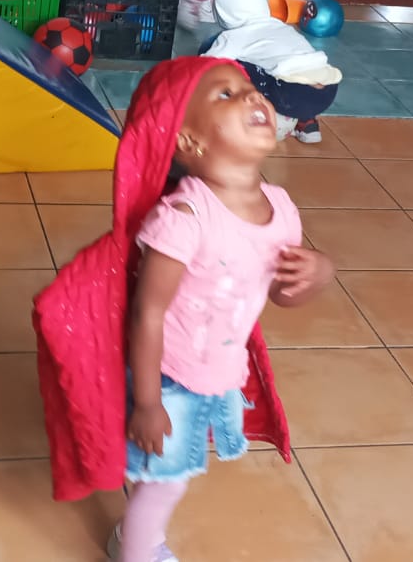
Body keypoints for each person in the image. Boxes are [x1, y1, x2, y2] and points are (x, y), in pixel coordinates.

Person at [33, 57, 335, 562]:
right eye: (225, 94)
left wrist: (319, 273)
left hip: (218, 371)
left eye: (247, 87)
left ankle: (134, 526)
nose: (251, 95)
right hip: (170, 378)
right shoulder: (185, 217)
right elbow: (147, 313)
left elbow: (282, 293)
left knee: (176, 469)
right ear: (190, 141)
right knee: (166, 482)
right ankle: (137, 549)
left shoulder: (282, 208)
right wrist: (149, 404)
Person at [206, 0, 342, 143]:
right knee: (282, 68)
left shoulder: (233, 37)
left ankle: (249, 116)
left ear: (223, 12)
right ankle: (307, 122)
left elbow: (206, 64)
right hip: (328, 88)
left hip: (291, 93)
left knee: (227, 65)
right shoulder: (280, 26)